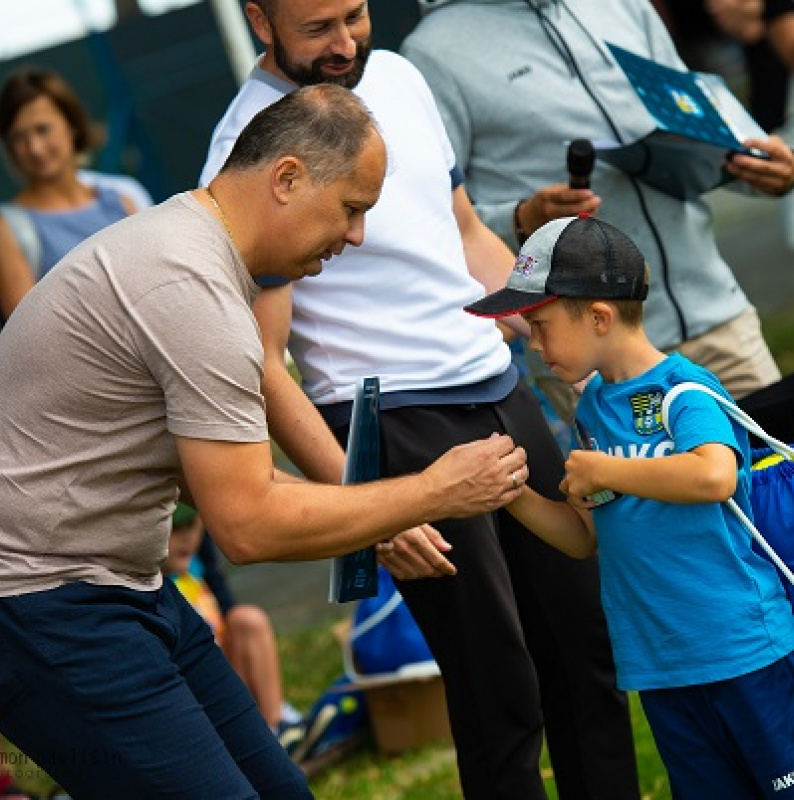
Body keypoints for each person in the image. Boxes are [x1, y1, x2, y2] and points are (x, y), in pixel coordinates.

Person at [0, 83, 529, 800]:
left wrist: (383, 511)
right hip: (42, 604)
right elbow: (245, 524)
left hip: (119, 587)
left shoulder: (194, 256)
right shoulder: (191, 291)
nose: (356, 237)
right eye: (351, 208)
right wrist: (434, 490)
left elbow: (226, 483)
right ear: (286, 179)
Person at [201, 3, 640, 798]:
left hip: (497, 387)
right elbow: (263, 363)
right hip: (392, 419)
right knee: (497, 689)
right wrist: (361, 499)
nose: (345, 45)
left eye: (356, 15)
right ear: (260, 21)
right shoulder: (249, 148)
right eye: (317, 30)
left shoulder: (399, 75)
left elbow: (465, 231)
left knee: (587, 655)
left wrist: (568, 346)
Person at [466, 213, 794, 800]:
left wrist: (607, 469)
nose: (533, 344)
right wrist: (512, 496)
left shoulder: (684, 389)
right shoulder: (591, 410)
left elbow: (715, 474)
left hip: (745, 653)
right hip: (663, 665)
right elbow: (583, 538)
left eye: (540, 325)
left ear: (598, 315)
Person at [401, 0, 794, 401]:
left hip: (716, 317)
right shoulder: (431, 53)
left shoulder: (625, 4)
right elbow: (432, 218)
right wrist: (519, 221)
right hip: (593, 358)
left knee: (776, 462)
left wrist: (769, 168)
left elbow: (693, 118)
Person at [0, 68, 140, 320]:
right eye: (18, 138)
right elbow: (30, 332)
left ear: (72, 125)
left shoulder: (121, 201)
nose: (34, 148)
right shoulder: (8, 229)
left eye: (42, 129)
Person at [163, 503, 300, 735]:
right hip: (194, 695)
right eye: (175, 527)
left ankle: (276, 724)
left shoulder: (198, 566)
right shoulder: (152, 588)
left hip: (227, 676)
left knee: (248, 619)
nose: (186, 537)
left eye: (192, 525)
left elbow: (227, 611)